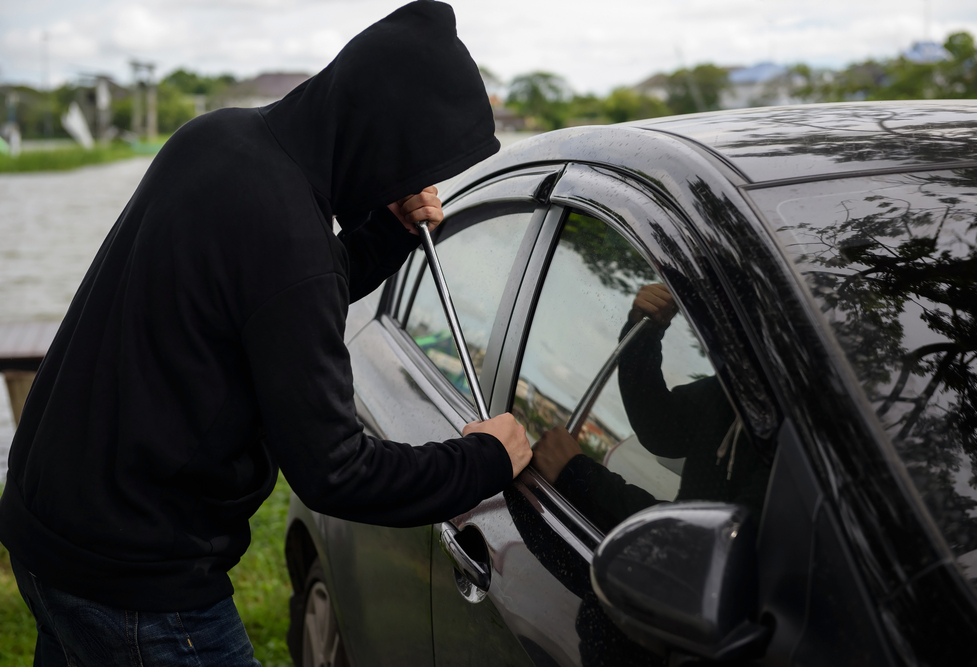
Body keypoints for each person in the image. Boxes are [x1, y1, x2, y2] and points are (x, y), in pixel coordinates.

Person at [0, 3, 531, 665]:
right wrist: (481, 461)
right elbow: (337, 471)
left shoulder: (220, 139)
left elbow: (270, 295)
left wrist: (387, 234)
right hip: (138, 582)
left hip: (45, 528)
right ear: (382, 138)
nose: (418, 179)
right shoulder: (291, 242)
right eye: (416, 159)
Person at [532, 283, 770, 533]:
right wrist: (645, 331)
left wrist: (578, 476)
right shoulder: (740, 391)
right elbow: (662, 431)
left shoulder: (798, 448)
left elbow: (695, 541)